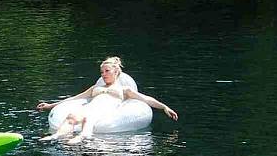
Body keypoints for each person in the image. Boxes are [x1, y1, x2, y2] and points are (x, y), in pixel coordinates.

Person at [37, 56, 178, 144]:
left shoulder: (124, 90)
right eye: (102, 72)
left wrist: (164, 107)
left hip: (105, 111)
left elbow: (146, 99)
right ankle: (57, 136)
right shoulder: (95, 88)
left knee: (89, 117)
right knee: (72, 116)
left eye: (107, 71)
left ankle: (83, 137)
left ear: (116, 72)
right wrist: (50, 106)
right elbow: (74, 98)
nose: (103, 74)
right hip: (90, 107)